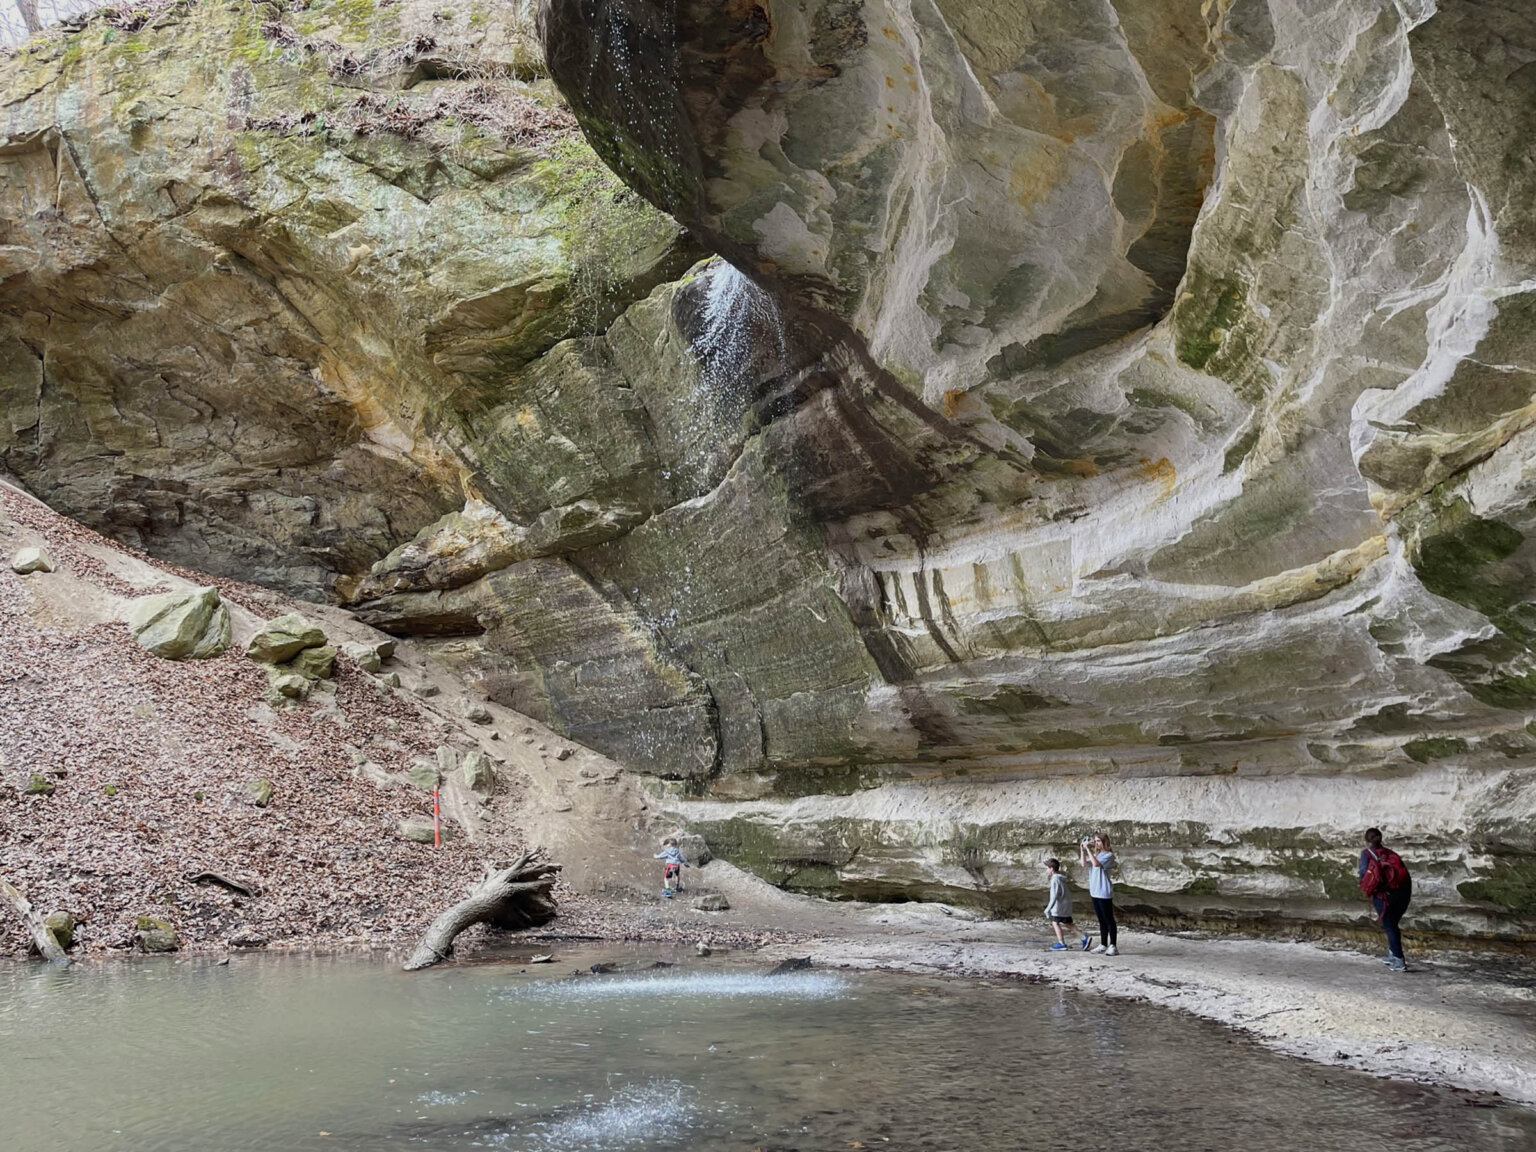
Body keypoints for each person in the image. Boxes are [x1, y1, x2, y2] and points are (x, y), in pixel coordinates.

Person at [1358, 827, 1412, 971]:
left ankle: (1399, 960)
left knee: (1390, 925)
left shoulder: (1366, 854)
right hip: (1402, 894)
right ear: (1380, 838)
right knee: (1393, 924)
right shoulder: (1391, 854)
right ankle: (1392, 953)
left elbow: (1364, 874)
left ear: (1367, 840)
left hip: (1383, 896)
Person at [1080, 832, 1118, 955]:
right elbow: (1084, 864)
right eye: (1095, 841)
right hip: (1095, 891)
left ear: (1105, 842)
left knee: (1109, 919)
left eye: (1099, 841)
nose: (1097, 843)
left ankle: (1113, 945)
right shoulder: (1097, 854)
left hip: (1104, 891)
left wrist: (1088, 850)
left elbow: (1096, 864)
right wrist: (1083, 850)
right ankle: (1103, 944)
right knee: (1101, 920)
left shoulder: (1109, 855)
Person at [1043, 857, 1091, 951]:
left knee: (1055, 922)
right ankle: (1084, 938)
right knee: (1068, 923)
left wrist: (1048, 909)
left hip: (1059, 907)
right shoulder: (1060, 879)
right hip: (1065, 906)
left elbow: (1054, 896)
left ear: (1052, 869)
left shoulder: (1055, 880)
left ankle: (1061, 943)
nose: (1046, 870)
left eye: (1047, 868)